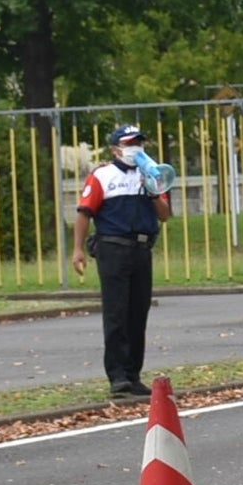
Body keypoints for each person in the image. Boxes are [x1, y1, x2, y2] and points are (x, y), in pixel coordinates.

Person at [72, 124, 172, 400]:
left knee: (138, 312)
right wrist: (77, 250)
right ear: (116, 149)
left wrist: (152, 190)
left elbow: (164, 215)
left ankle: (133, 374)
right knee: (116, 312)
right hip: (113, 247)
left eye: (139, 143)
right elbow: (84, 213)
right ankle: (117, 376)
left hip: (142, 248)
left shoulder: (152, 174)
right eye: (129, 144)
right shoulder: (102, 176)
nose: (135, 149)